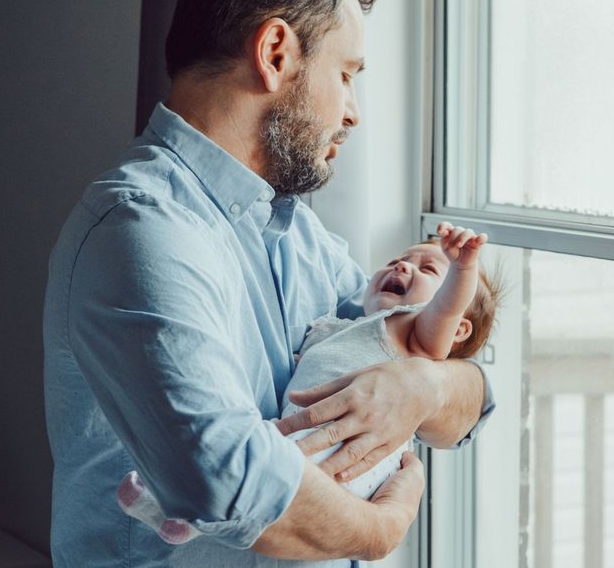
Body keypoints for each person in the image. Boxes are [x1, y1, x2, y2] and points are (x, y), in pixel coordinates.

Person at [42, 0, 495, 568]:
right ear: (276, 52)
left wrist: (422, 388)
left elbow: (472, 394)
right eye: (345, 75)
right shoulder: (139, 232)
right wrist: (384, 526)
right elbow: (230, 482)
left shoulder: (295, 235)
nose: (353, 113)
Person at [117, 223, 505, 543]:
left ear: (457, 332)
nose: (403, 267)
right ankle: (180, 513)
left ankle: (188, 513)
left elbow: (448, 308)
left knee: (261, 469)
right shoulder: (354, 323)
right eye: (398, 260)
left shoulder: (416, 334)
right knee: (257, 461)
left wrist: (462, 269)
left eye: (427, 270)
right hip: (312, 431)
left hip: (346, 447)